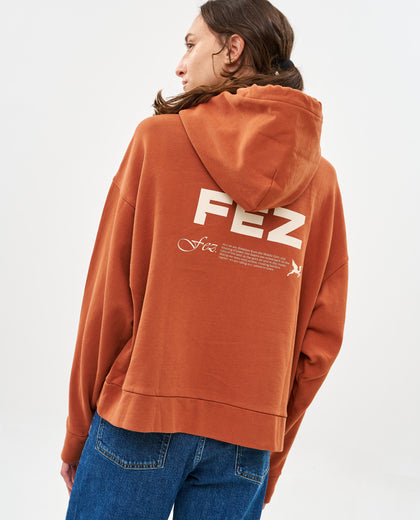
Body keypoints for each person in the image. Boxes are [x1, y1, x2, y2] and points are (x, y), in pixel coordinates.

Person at [60, 0, 348, 518]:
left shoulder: (157, 142)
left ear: (232, 49)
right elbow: (320, 341)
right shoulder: (320, 182)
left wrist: (78, 431)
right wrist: (271, 452)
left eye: (192, 44)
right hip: (247, 439)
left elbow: (109, 300)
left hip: (140, 419)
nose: (180, 64)